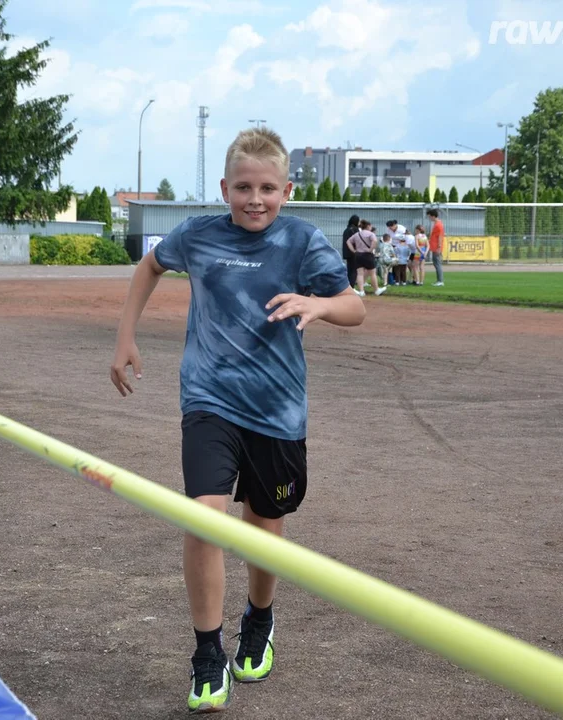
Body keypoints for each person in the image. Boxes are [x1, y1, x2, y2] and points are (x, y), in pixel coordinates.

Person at [109, 127, 365, 714]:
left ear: (287, 189)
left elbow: (356, 307)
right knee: (204, 521)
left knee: (263, 526)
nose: (256, 198)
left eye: (268, 188)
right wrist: (125, 336)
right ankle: (206, 652)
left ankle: (260, 618)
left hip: (277, 411)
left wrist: (319, 304)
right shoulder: (199, 235)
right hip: (208, 401)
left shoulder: (302, 242)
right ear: (225, 188)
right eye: (244, 187)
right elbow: (149, 267)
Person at [346, 219, 385, 296]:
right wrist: (371, 249)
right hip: (367, 255)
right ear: (368, 226)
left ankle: (361, 291)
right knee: (372, 273)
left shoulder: (357, 234)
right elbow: (375, 241)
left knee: (359, 273)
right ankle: (376, 290)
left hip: (358, 255)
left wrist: (353, 250)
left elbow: (348, 241)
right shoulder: (370, 234)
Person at [427, 208, 445, 286]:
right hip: (434, 247)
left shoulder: (438, 225)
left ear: (433, 216)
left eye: (430, 217)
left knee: (437, 264)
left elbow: (440, 237)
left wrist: (439, 247)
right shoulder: (437, 224)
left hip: (436, 247)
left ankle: (440, 281)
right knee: (436, 263)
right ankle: (439, 280)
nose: (429, 218)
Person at [341, 214, 360, 289]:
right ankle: (352, 286)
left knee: (349, 269)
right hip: (354, 252)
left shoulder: (346, 229)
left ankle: (348, 285)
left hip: (347, 252)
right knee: (354, 270)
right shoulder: (355, 230)